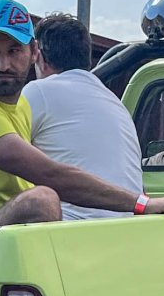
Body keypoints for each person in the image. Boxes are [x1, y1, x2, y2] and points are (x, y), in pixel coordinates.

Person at [0, 0, 164, 228]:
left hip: (8, 233)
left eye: (14, 51)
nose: (3, 64)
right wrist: (141, 203)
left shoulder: (23, 103)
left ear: (34, 53)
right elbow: (50, 174)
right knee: (42, 200)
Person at [19, 12, 143, 220]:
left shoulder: (39, 91)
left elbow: (5, 158)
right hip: (128, 229)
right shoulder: (114, 102)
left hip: (72, 232)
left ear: (38, 55)